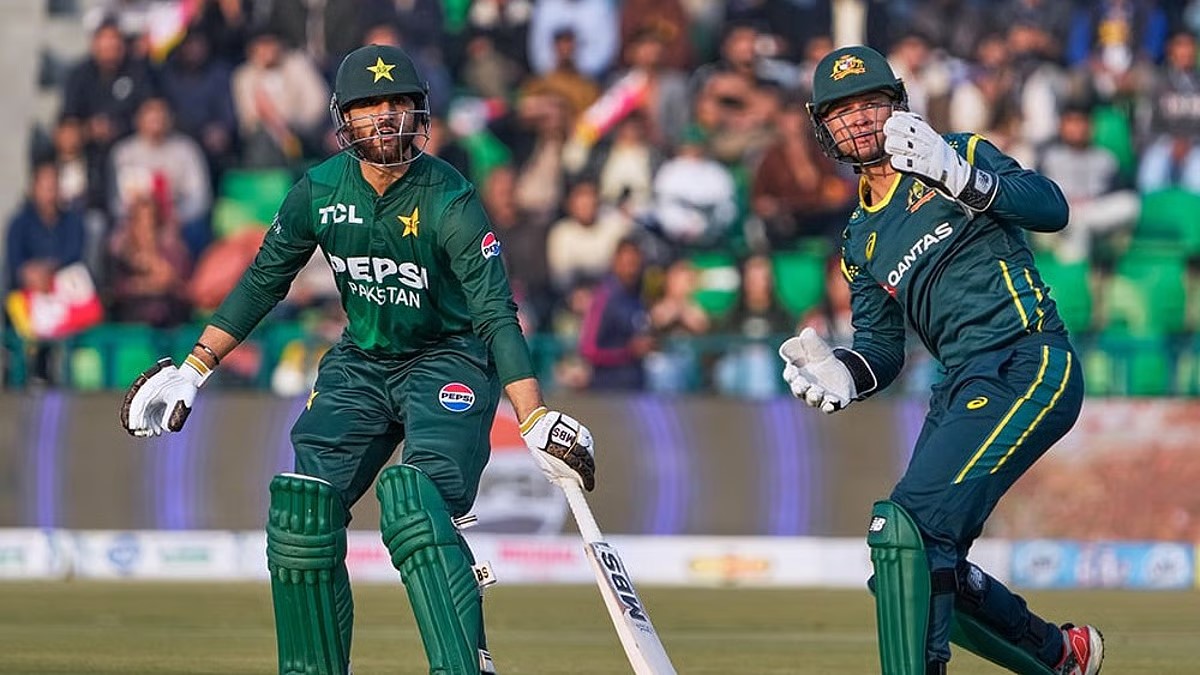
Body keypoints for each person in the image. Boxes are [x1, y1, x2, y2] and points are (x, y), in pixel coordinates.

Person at [119, 44, 596, 675]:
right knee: (303, 511)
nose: (386, 116)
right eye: (370, 105)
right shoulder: (319, 190)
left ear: (418, 112)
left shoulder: (450, 197)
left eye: (398, 103)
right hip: (363, 362)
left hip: (449, 359)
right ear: (345, 118)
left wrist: (532, 415)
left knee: (416, 502)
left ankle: (465, 666)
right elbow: (264, 280)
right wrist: (195, 367)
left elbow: (494, 311)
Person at [780, 46, 1102, 675]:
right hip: (958, 383)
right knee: (904, 567)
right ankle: (1060, 655)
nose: (859, 119)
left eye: (871, 103)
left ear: (898, 104)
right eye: (841, 112)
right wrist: (846, 372)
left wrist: (961, 178)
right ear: (823, 129)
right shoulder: (858, 239)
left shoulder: (956, 152)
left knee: (909, 534)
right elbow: (881, 348)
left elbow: (1052, 208)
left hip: (1028, 357)